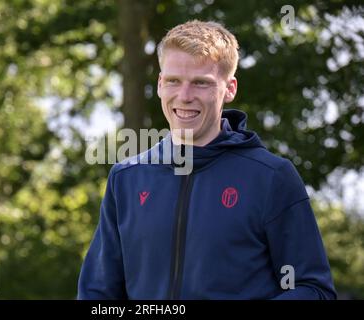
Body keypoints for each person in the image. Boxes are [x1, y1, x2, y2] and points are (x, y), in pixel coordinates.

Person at [77, 20, 336, 299]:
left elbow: (314, 290)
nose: (184, 96)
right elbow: (98, 294)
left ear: (230, 88)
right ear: (161, 83)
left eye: (201, 83)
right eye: (174, 81)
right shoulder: (126, 178)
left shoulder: (272, 177)